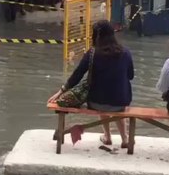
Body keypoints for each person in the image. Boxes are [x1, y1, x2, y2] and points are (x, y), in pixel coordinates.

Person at [48, 20, 134, 148]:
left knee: (102, 94)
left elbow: (77, 75)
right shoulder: (125, 53)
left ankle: (107, 137)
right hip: (120, 103)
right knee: (117, 99)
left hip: (96, 103)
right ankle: (125, 139)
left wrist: (61, 91)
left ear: (96, 36)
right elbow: (131, 76)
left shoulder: (92, 53)